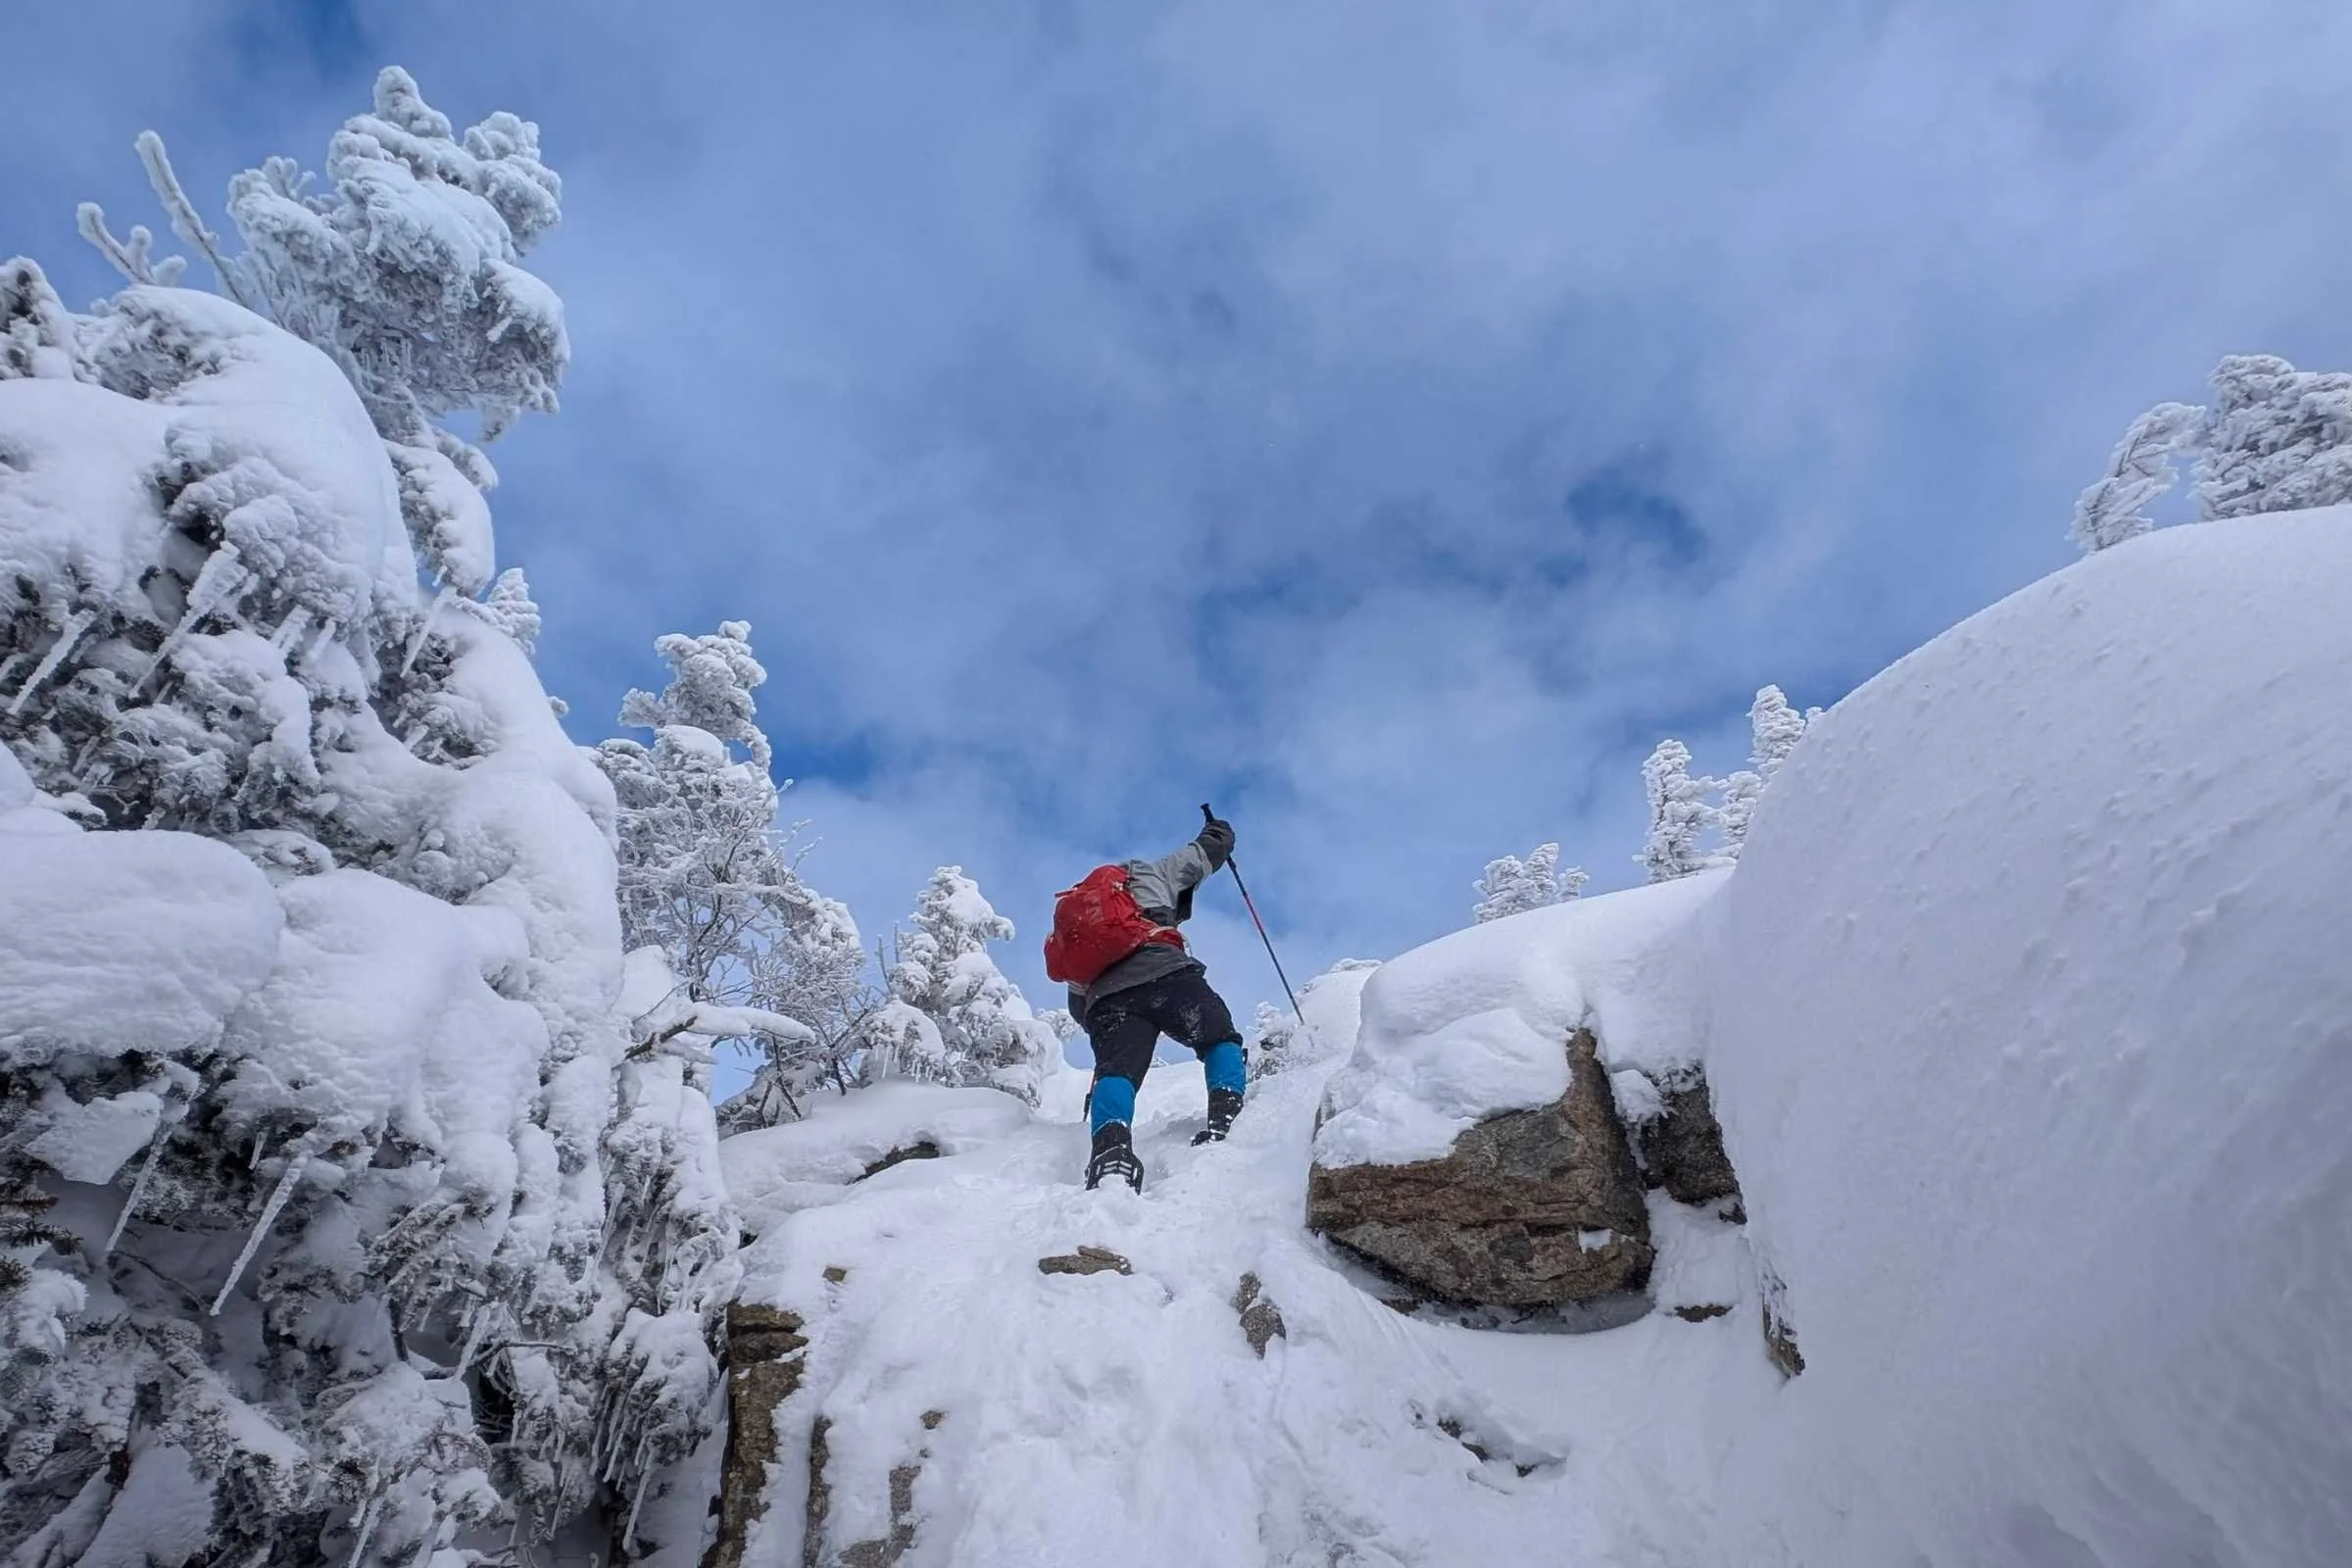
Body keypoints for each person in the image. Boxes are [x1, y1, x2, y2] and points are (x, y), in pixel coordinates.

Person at [1049, 813, 1247, 1193]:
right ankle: (1227, 1112)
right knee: (1218, 1036)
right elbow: (1208, 851)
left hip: (1107, 1001)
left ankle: (1110, 1151)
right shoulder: (1153, 872)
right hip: (1165, 973)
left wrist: (1104, 1023)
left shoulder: (1075, 922)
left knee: (1116, 1072)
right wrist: (1219, 831)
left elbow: (1078, 1003)